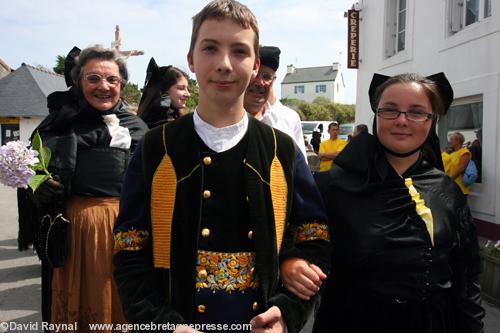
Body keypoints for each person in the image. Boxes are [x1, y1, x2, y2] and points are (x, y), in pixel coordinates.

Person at [113, 1, 330, 333]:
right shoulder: (156, 148)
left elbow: (314, 238)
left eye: (239, 52)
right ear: (191, 59)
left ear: (256, 65)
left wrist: (288, 313)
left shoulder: (281, 150)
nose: (224, 64)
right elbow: (129, 248)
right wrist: (160, 324)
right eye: (210, 48)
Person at [282, 72, 484, 333]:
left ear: (432, 120)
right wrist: (289, 261)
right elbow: (285, 238)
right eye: (390, 110)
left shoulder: (447, 190)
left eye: (416, 112)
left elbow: (466, 280)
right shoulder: (331, 186)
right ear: (376, 115)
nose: (402, 120)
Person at [17, 45, 148, 331]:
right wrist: (36, 188)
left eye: (112, 80)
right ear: (78, 82)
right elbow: (29, 175)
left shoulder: (138, 128)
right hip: (75, 233)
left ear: (121, 84)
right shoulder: (58, 126)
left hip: (128, 233)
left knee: (123, 307)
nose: (104, 86)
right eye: (93, 79)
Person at [244, 45, 307, 160]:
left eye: (266, 77)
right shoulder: (224, 117)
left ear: (273, 81)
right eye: (255, 75)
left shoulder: (289, 119)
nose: (260, 83)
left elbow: (299, 171)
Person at [137, 58, 190, 128]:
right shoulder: (160, 123)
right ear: (165, 90)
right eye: (181, 88)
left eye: (187, 88)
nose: (188, 94)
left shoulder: (174, 118)